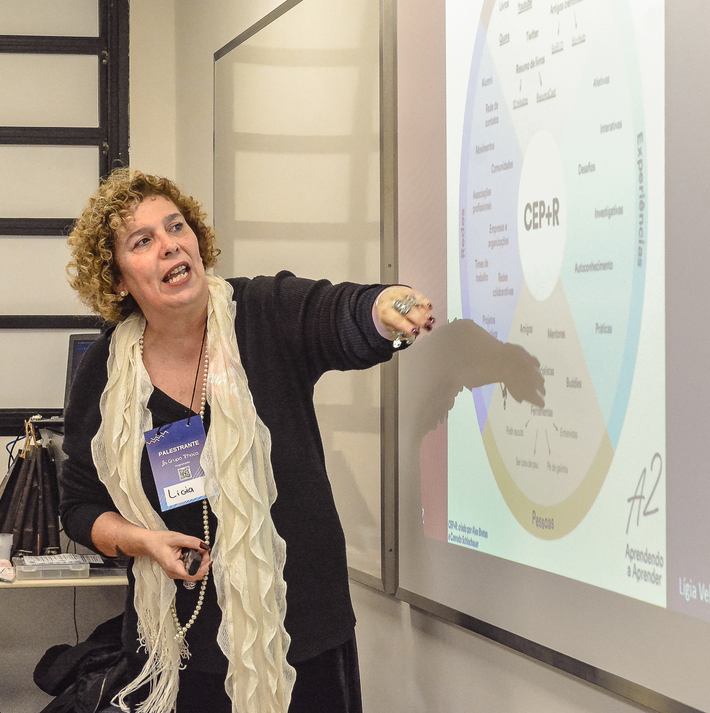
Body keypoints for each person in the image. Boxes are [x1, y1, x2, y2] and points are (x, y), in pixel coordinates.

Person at [59, 168, 434, 713]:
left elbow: (336, 315)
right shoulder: (106, 370)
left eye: (176, 227)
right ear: (116, 279)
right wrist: (146, 542)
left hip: (299, 639)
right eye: (144, 241)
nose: (170, 246)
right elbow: (79, 505)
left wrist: (382, 309)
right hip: (176, 650)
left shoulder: (263, 313)